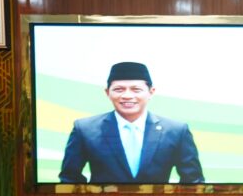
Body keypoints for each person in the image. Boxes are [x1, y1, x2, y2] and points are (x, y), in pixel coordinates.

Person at [58, 62, 204, 184]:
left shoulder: (176, 131)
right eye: (119, 89)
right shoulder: (85, 129)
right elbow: (69, 179)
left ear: (151, 92)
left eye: (136, 89)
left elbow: (193, 181)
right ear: (107, 93)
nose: (127, 96)